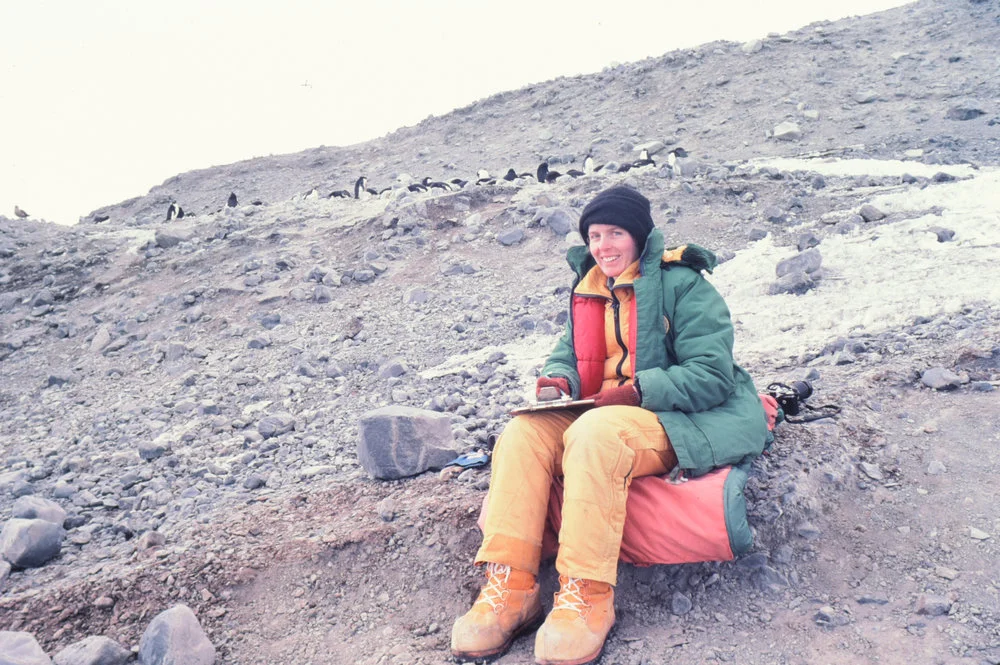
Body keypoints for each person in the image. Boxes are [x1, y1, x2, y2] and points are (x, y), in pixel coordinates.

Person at [450, 185, 768, 665]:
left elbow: (711, 375)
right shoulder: (590, 287)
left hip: (672, 415)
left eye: (615, 233)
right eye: (594, 235)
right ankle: (511, 587)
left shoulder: (684, 285)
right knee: (521, 433)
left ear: (639, 237)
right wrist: (559, 379)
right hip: (604, 408)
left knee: (594, 436)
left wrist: (640, 391)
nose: (603, 246)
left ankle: (586, 596)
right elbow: (570, 352)